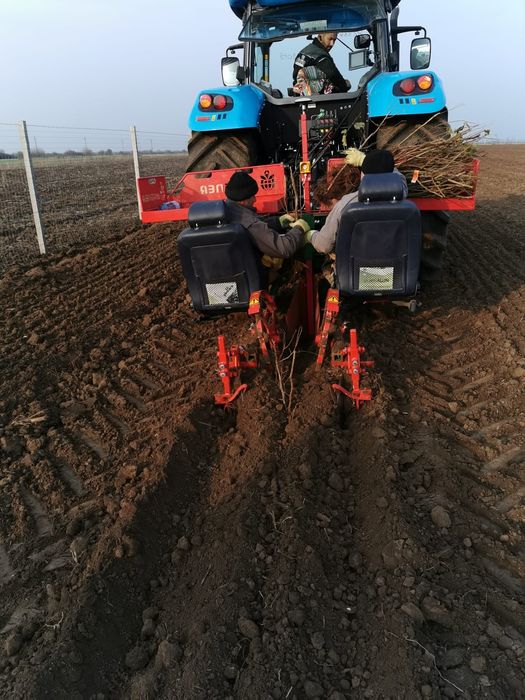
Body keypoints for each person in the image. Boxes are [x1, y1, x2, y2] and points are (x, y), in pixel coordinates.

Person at [307, 148, 408, 254]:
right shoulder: (401, 193)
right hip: (396, 264)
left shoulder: (346, 205)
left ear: (363, 175)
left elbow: (323, 245)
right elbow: (398, 178)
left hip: (357, 265)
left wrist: (311, 235)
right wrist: (366, 161)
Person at [224, 171, 311, 259]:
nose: (254, 200)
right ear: (243, 199)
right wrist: (299, 228)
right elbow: (284, 248)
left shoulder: (227, 209)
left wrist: (278, 222)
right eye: (252, 196)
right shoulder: (249, 222)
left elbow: (257, 227)